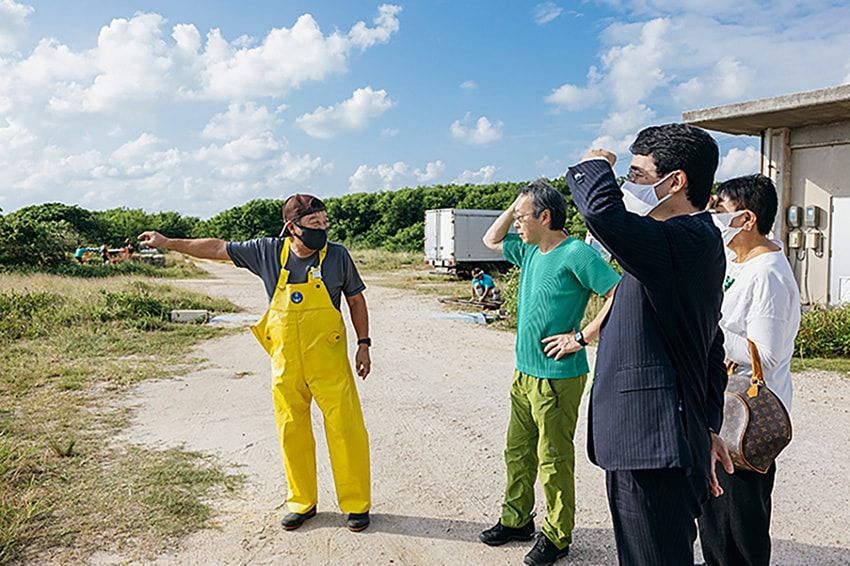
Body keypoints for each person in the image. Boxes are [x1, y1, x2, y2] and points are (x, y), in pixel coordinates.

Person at [138, 194, 373, 532]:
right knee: (291, 429)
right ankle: (302, 502)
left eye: (325, 223)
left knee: (345, 428)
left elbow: (355, 299)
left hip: (329, 360)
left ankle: (356, 505)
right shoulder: (267, 252)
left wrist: (363, 345)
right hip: (286, 362)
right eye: (314, 224)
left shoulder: (337, 255)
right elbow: (218, 248)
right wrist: (168, 242)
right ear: (292, 227)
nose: (323, 229)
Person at [565, 123, 733, 565]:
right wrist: (708, 424)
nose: (629, 185)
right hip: (656, 439)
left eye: (637, 174)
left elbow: (602, 213)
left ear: (675, 182)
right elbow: (710, 346)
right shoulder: (678, 243)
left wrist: (596, 163)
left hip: (654, 445)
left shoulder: (687, 239)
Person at [480, 180, 620, 566]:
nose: (516, 225)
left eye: (523, 217)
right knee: (517, 451)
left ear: (545, 217)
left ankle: (557, 537)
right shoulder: (528, 251)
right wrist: (514, 205)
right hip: (523, 373)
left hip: (559, 377)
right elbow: (491, 239)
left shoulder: (576, 253)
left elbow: (619, 293)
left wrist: (582, 336)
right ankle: (516, 520)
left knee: (553, 458)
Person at [698, 174, 801, 566]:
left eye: (720, 209)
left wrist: (710, 329)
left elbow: (768, 354)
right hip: (724, 408)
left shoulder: (768, 274)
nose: (715, 217)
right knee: (715, 514)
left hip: (746, 418)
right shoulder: (741, 261)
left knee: (741, 520)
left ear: (747, 219)